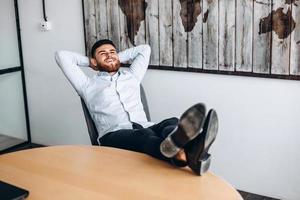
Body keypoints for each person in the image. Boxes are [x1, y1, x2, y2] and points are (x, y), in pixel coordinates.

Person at [55, 39, 218, 175]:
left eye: (112, 52)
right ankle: (193, 148)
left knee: (171, 122)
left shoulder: (131, 77)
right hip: (113, 135)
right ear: (94, 61)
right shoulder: (86, 85)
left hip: (146, 125)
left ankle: (184, 153)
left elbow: (144, 49)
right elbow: (61, 56)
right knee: (144, 136)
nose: (109, 55)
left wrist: (114, 57)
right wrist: (91, 63)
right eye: (102, 54)